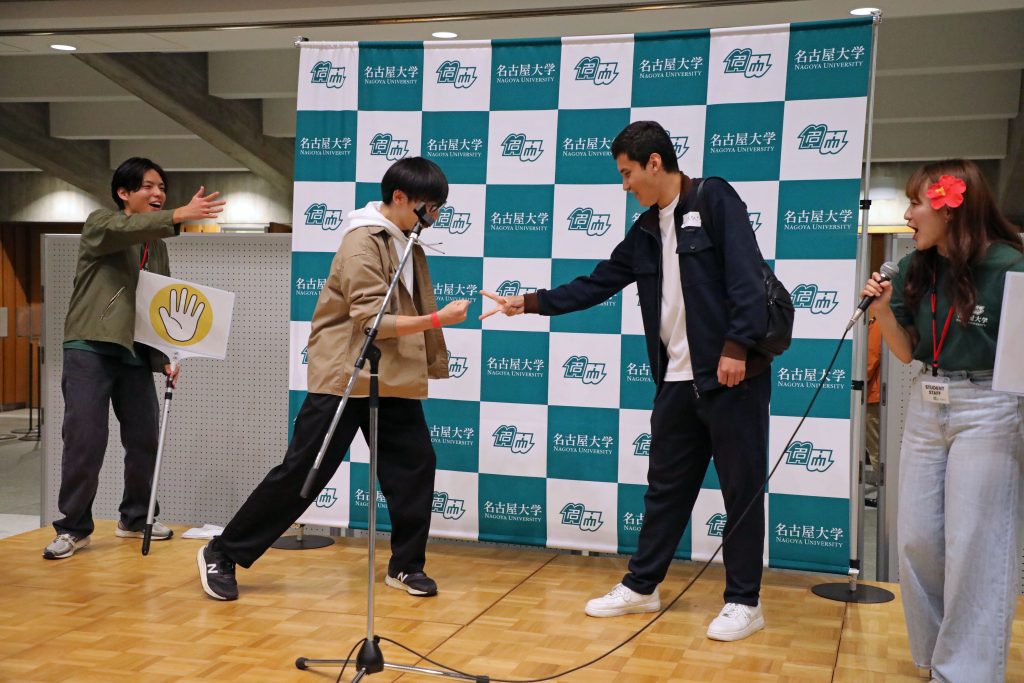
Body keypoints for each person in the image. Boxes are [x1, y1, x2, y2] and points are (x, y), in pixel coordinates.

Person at [481, 121, 771, 641]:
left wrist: (737, 347)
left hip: (731, 376)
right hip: (677, 381)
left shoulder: (714, 199)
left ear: (654, 163)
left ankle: (744, 601)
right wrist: (528, 302)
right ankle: (642, 586)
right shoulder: (645, 230)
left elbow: (748, 274)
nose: (625, 184)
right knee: (664, 491)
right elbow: (597, 283)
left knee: (741, 492)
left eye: (627, 172)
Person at [197, 157, 468, 601]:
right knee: (303, 472)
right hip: (345, 375)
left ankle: (406, 566)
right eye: (428, 208)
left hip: (387, 374)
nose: (433, 218)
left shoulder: (405, 240)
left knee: (415, 466)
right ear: (400, 197)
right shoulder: (363, 242)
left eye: (437, 209)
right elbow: (372, 321)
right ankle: (222, 552)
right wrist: (439, 319)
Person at [861, 159, 1024, 683]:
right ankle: (934, 657)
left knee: (976, 541)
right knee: (917, 538)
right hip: (928, 401)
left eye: (915, 203)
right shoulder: (915, 266)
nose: (908, 215)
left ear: (950, 208)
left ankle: (966, 672)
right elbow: (905, 351)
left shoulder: (1010, 266)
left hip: (989, 405)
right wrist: (881, 310)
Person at [44, 157, 226, 560]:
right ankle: (73, 527)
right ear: (123, 193)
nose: (158, 193)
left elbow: (156, 305)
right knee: (85, 441)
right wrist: (180, 215)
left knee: (144, 439)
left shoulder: (156, 245)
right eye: (148, 186)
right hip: (90, 347)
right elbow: (125, 229)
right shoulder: (101, 224)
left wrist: (166, 357)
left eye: (162, 187)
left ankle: (136, 517)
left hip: (135, 355)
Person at [864, 315, 882, 504]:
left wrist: (855, 381)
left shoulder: (876, 318)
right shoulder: (872, 317)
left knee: (876, 448)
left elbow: (871, 355)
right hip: (870, 393)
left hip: (871, 394)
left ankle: (882, 496)